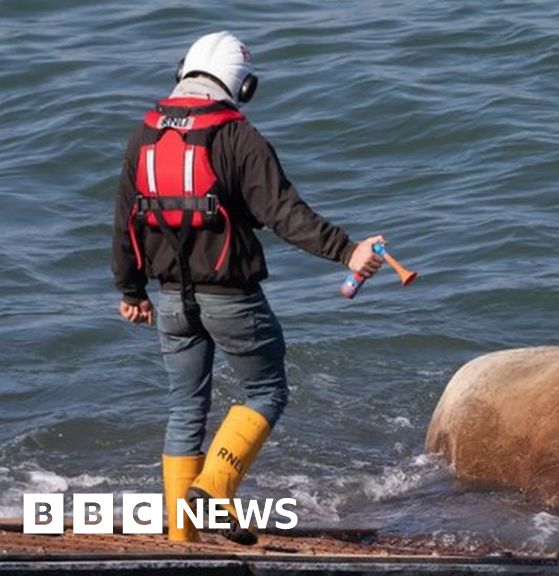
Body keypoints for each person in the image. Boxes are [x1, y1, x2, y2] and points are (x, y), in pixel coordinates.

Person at [111, 31, 383, 545]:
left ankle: (181, 541)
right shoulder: (238, 137)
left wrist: (131, 292)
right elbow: (285, 214)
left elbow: (125, 221)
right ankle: (214, 493)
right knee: (266, 391)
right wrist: (348, 251)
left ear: (182, 71)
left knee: (185, 406)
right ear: (243, 86)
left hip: (170, 300)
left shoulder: (142, 136)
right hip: (231, 298)